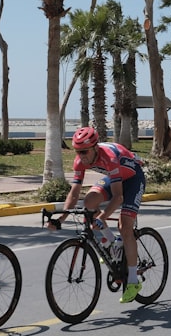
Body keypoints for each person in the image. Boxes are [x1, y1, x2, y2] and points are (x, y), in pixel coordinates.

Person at [46, 126, 147, 304]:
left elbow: (118, 197)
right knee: (89, 203)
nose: (81, 156)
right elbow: (74, 194)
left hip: (133, 179)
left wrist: (103, 217)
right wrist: (61, 218)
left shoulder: (110, 158)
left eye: (84, 152)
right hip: (114, 176)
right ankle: (112, 244)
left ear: (95, 148)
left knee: (125, 227)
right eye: (77, 152)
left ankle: (132, 281)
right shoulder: (80, 161)